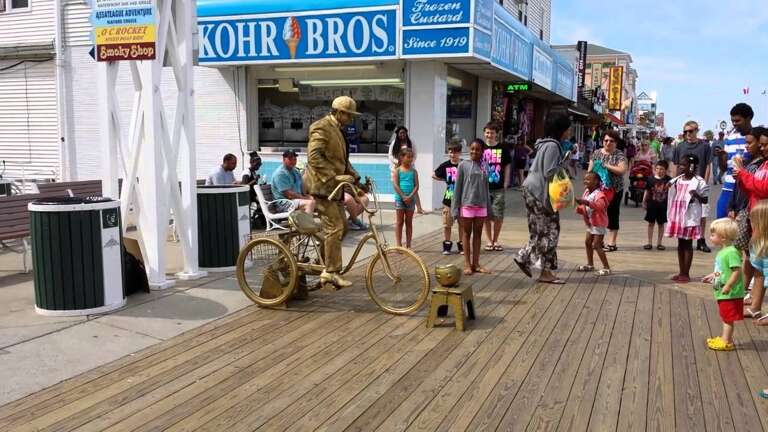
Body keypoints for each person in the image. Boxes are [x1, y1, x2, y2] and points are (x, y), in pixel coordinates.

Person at [304, 96, 364, 288]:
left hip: (334, 189)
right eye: (349, 115)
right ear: (339, 112)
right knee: (335, 227)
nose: (351, 120)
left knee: (343, 227)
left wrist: (356, 179)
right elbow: (314, 157)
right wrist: (334, 177)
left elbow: (342, 161)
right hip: (322, 188)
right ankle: (331, 271)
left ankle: (322, 264)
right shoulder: (321, 127)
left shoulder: (338, 129)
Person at [515, 114, 572, 284]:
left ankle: (544, 269)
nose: (569, 131)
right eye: (568, 128)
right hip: (540, 192)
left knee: (540, 230)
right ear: (561, 129)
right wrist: (564, 165)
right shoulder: (553, 146)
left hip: (532, 190)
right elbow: (549, 172)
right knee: (550, 231)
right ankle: (526, 257)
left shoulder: (544, 144)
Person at [665, 155, 709, 283]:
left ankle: (686, 274)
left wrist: (697, 195)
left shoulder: (699, 181)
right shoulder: (677, 180)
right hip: (678, 214)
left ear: (692, 166)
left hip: (690, 216)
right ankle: (681, 272)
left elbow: (705, 199)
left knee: (688, 244)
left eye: (683, 165)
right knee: (680, 244)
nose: (680, 167)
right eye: (680, 165)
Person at [702, 218, 743, 351]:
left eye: (713, 235)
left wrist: (728, 286)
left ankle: (727, 341)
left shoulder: (731, 252)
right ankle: (725, 337)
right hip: (722, 291)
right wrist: (713, 275)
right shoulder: (723, 252)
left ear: (723, 238)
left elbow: (736, 271)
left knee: (728, 317)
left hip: (730, 293)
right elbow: (721, 270)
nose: (710, 237)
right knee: (725, 315)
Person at [452, 139, 492, 275]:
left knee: (478, 235)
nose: (474, 151)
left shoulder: (485, 166)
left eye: (478, 149)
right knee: (466, 234)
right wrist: (454, 208)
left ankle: (476, 264)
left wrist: (489, 208)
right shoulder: (463, 165)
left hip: (481, 206)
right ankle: (467, 264)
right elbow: (457, 188)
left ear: (482, 151)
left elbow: (487, 189)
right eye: (472, 148)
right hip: (466, 205)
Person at [673, 120, 712, 253]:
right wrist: (675, 181)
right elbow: (676, 165)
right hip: (683, 183)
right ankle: (685, 235)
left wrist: (704, 183)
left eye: (690, 131)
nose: (688, 134)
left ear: (696, 131)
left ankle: (701, 239)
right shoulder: (679, 146)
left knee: (702, 212)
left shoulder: (705, 146)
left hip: (698, 183)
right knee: (684, 211)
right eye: (685, 131)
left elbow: (707, 164)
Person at [588, 130, 628, 252]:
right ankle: (599, 240)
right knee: (599, 214)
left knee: (613, 214)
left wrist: (606, 165)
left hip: (615, 190)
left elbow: (622, 170)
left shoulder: (619, 155)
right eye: (606, 140)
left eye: (611, 141)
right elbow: (590, 170)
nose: (608, 143)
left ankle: (612, 243)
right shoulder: (596, 153)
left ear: (616, 143)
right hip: (599, 190)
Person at [716, 103, 754, 219]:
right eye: (733, 121)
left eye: (738, 120)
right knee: (721, 228)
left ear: (748, 118)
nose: (734, 124)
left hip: (746, 192)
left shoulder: (757, 138)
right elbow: (723, 169)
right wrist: (721, 157)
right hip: (728, 189)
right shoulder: (730, 138)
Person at [481, 122, 511, 251]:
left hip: (498, 187)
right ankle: (488, 240)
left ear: (496, 134)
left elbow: (508, 165)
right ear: (484, 133)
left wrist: (506, 182)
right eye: (487, 132)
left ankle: (495, 240)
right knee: (486, 215)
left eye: (492, 133)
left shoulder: (503, 148)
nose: (489, 135)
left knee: (498, 215)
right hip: (483, 187)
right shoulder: (480, 148)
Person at [575, 171, 611, 276]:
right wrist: (579, 208)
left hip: (599, 223)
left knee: (597, 244)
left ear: (596, 182)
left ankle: (606, 267)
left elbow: (599, 206)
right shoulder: (586, 192)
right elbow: (585, 207)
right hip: (591, 223)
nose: (585, 181)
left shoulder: (600, 194)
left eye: (588, 179)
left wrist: (585, 202)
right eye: (584, 179)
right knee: (587, 242)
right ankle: (590, 264)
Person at [433, 140, 463, 255]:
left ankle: (462, 245)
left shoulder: (464, 164)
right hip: (448, 199)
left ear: (459, 153)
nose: (453, 155)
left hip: (462, 200)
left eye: (455, 152)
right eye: (450, 152)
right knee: (447, 224)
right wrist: (445, 179)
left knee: (462, 224)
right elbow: (434, 174)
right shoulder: (445, 165)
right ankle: (447, 245)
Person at [387, 126, 425, 214]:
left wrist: (410, 163)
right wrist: (398, 162)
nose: (402, 134)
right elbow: (390, 155)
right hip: (397, 168)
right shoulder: (394, 143)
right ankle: (400, 206)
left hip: (409, 168)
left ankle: (419, 208)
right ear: (397, 134)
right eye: (400, 133)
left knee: (412, 186)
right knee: (398, 186)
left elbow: (415, 154)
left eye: (404, 133)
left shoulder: (410, 142)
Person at [270, 150, 315, 214]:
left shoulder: (295, 171)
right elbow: (289, 195)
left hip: (295, 200)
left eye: (294, 159)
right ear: (283, 159)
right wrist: (305, 198)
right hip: (284, 204)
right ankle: (306, 223)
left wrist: (308, 196)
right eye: (290, 159)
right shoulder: (280, 174)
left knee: (316, 201)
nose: (293, 161)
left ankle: (307, 222)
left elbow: (301, 190)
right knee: (310, 203)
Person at [392, 148, 419, 248]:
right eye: (408, 157)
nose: (410, 159)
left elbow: (416, 186)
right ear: (402, 157)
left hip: (411, 200)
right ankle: (398, 244)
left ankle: (408, 245)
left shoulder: (414, 171)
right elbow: (395, 185)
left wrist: (410, 196)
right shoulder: (398, 170)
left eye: (411, 157)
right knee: (399, 222)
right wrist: (403, 197)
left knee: (409, 222)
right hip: (400, 199)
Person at [643, 160, 671, 250]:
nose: (659, 170)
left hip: (663, 206)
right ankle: (649, 242)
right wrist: (644, 201)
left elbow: (672, 192)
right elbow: (647, 190)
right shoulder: (650, 179)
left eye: (662, 169)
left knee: (661, 224)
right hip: (652, 205)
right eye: (657, 168)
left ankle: (659, 243)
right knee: (651, 223)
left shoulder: (669, 180)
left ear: (666, 170)